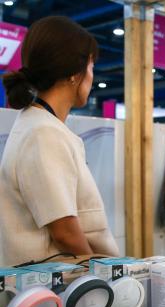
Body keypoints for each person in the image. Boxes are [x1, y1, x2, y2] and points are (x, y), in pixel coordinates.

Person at [0, 16, 119, 266]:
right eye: (91, 65)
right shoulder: (43, 133)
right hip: (56, 289)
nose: (92, 76)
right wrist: (99, 273)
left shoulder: (40, 125)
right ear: (75, 74)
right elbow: (64, 231)